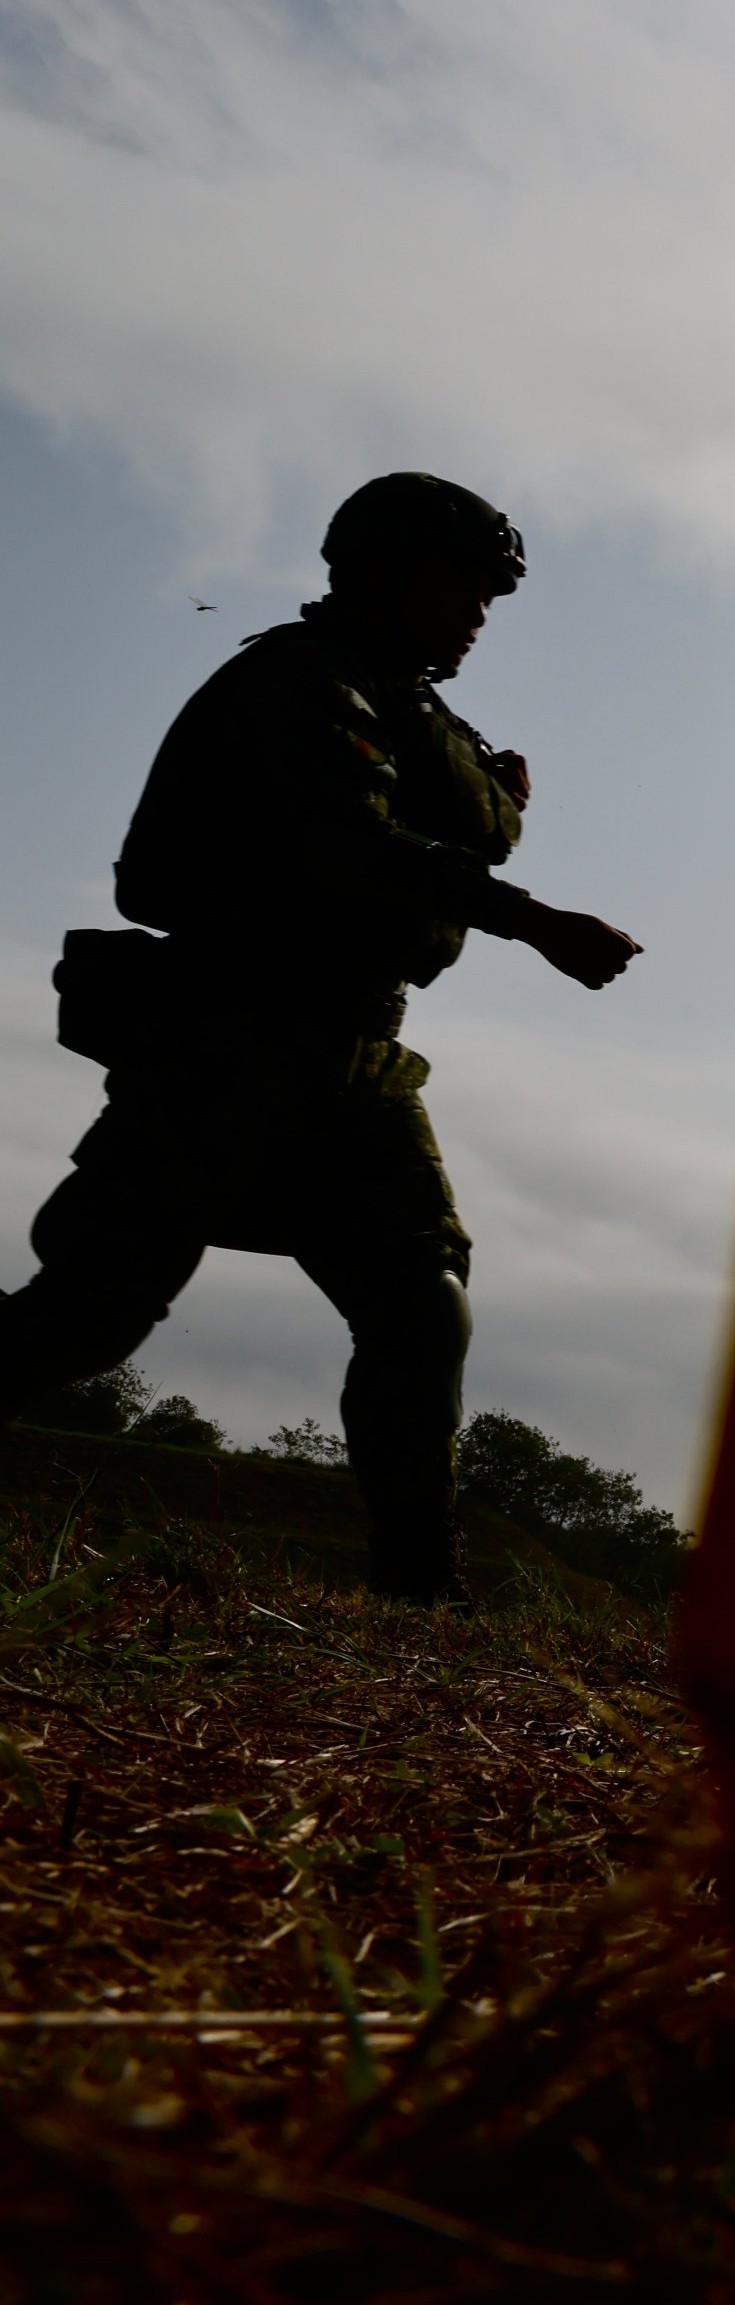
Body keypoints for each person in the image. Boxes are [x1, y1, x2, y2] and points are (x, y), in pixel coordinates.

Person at [0, 472, 643, 1599]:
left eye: (489, 598)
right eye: (462, 588)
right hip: (227, 1040)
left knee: (418, 1296)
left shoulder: (408, 704)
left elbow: (457, 810)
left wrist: (496, 805)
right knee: (91, 1309)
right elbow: (352, 844)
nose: (477, 616)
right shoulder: (296, 683)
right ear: (385, 573)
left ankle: (417, 1587)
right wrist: (532, 921)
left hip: (357, 1058)